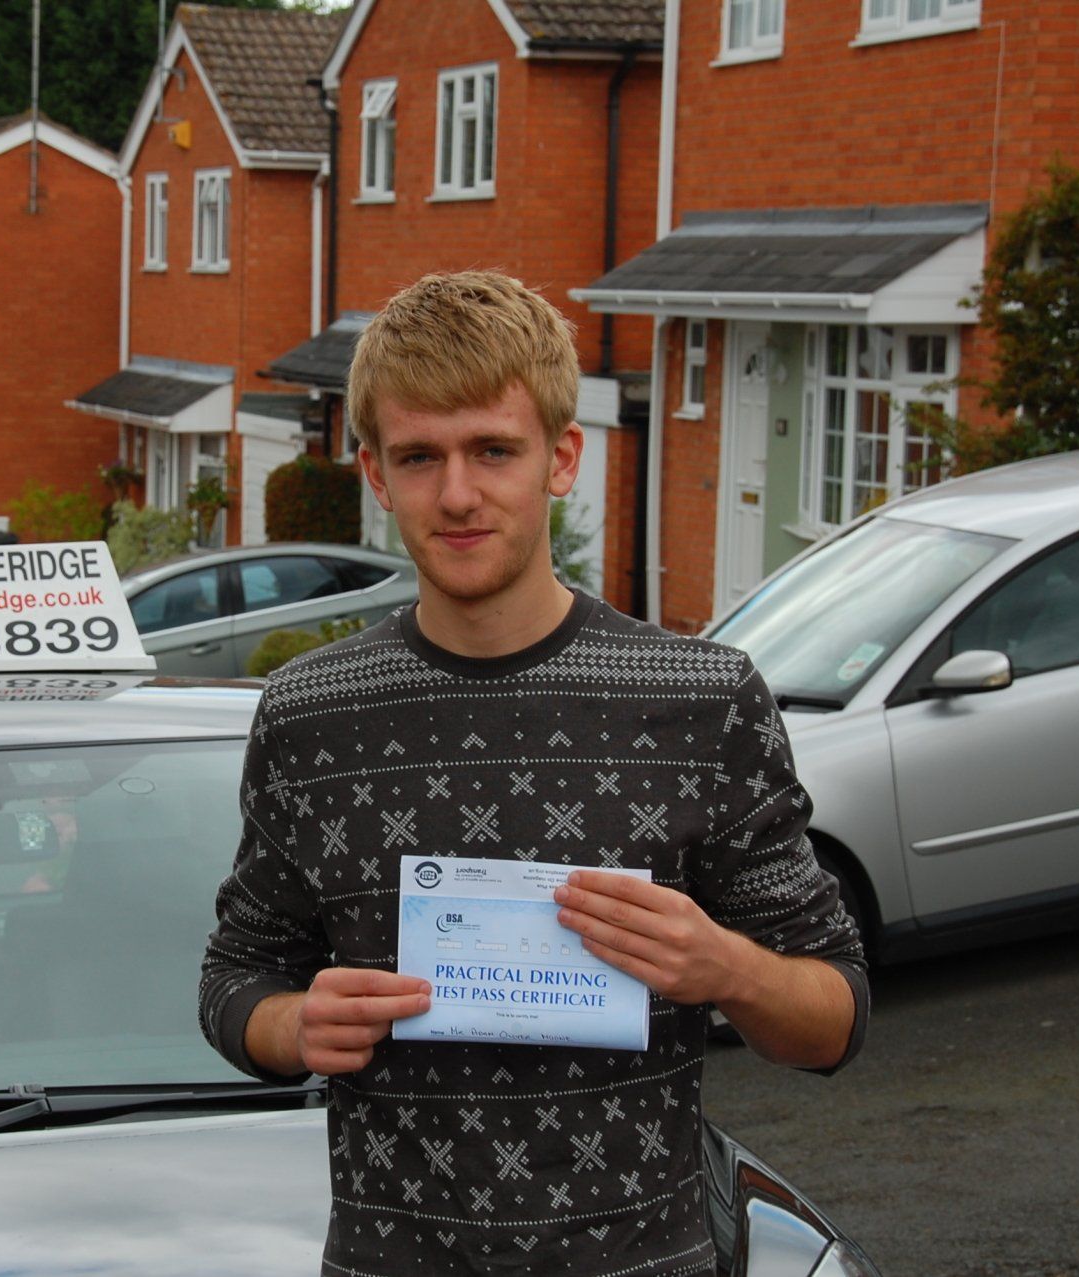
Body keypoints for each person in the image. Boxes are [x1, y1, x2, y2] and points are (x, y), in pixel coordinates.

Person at [198, 271, 867, 1276]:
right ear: (376, 474)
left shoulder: (703, 700)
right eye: (420, 456)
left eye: (492, 450)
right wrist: (291, 1023)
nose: (457, 494)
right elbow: (233, 974)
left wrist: (724, 965)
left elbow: (838, 1016)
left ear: (561, 458)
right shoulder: (310, 714)